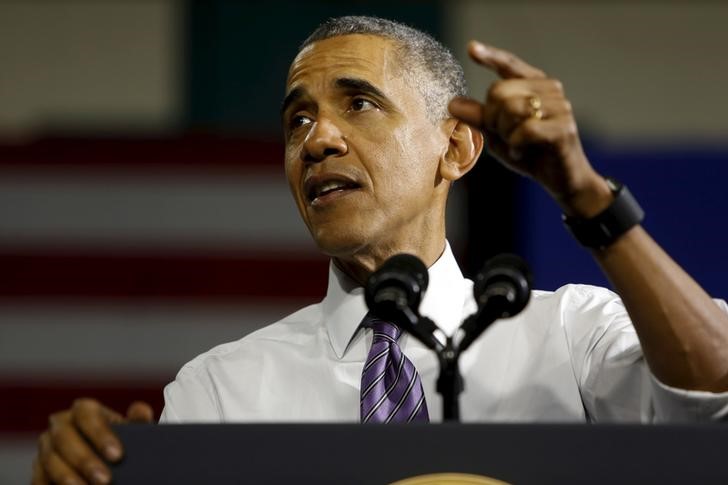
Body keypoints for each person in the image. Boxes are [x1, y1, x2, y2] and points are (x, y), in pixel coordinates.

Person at [32, 15, 728, 485]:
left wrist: (584, 195)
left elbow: (714, 389)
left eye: (358, 103)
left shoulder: (571, 335)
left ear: (455, 147)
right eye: (297, 119)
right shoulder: (221, 390)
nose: (317, 140)